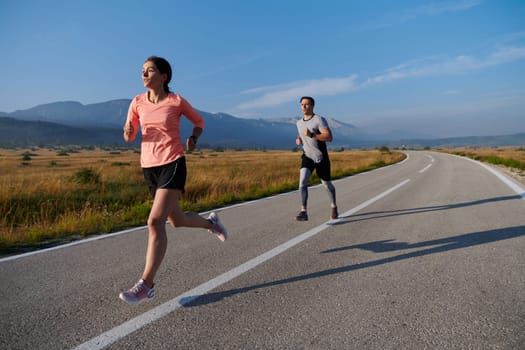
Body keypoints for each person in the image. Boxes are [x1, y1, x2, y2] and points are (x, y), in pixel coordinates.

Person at [119, 56, 227, 304]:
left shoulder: (176, 101)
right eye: (142, 71)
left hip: (173, 163)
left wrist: (193, 138)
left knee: (155, 222)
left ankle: (146, 285)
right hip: (149, 167)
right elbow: (130, 135)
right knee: (176, 221)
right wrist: (128, 132)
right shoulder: (136, 102)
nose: (144, 74)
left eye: (150, 70)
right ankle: (211, 223)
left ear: (164, 76)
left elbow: (199, 122)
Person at [295, 96, 338, 221]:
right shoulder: (299, 123)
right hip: (307, 156)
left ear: (312, 106)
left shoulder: (319, 119)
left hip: (321, 157)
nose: (304, 107)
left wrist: (313, 135)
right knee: (302, 182)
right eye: (302, 104)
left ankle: (334, 206)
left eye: (307, 104)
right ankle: (304, 211)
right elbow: (303, 135)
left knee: (327, 184)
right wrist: (299, 139)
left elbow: (329, 137)